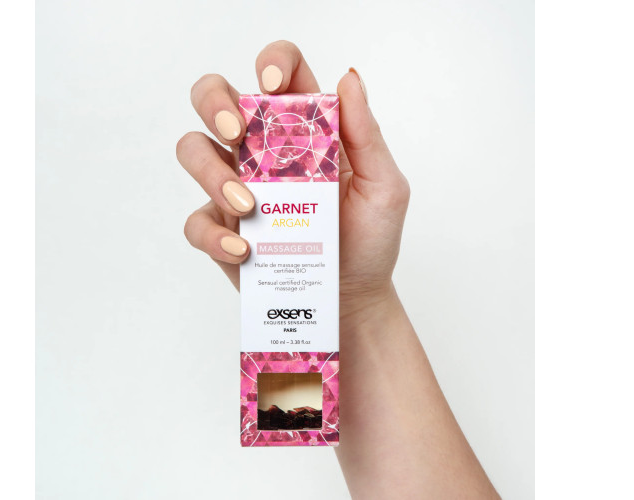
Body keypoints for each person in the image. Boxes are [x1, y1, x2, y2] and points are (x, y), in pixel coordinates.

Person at [176, 40, 500, 499]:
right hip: (309, 317)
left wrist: (357, 301)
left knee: (294, 401)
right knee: (286, 402)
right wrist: (353, 305)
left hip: (332, 312)